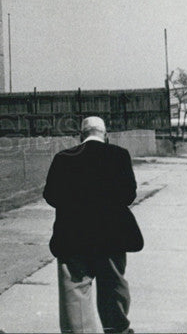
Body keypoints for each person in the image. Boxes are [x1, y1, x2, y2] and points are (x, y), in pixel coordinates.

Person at [43, 116, 143, 334]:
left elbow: (51, 196)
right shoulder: (119, 155)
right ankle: (116, 329)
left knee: (75, 293)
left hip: (72, 236)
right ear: (105, 135)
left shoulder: (63, 158)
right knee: (113, 287)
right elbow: (128, 195)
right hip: (112, 236)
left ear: (81, 135)